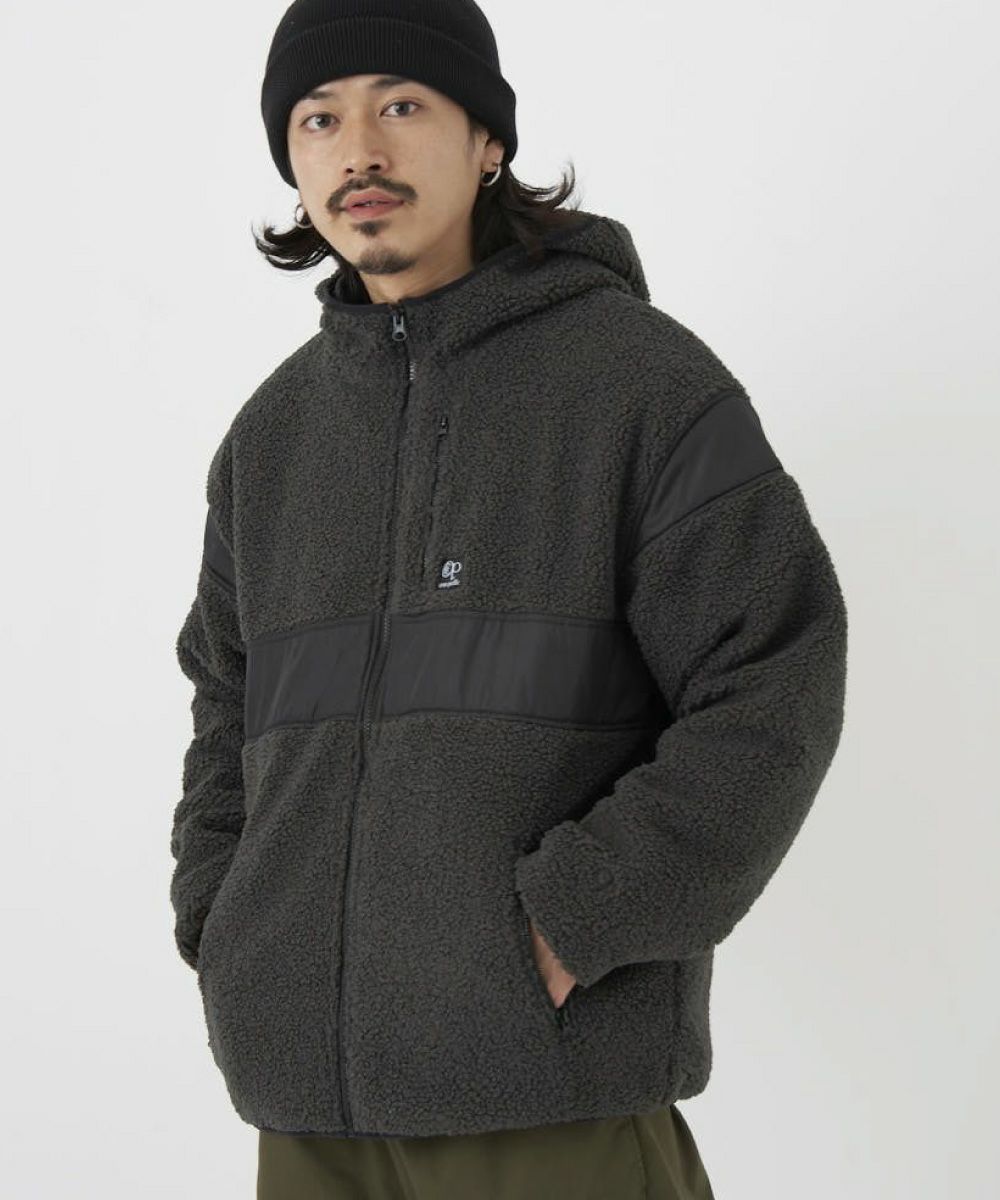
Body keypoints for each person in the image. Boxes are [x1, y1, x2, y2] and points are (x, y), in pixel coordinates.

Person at [169, 1, 848, 1195]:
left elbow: (774, 679)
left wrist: (579, 916)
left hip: (547, 1105)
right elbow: (225, 715)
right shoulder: (272, 441)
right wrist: (228, 930)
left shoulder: (639, 387)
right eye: (318, 119)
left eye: (401, 105)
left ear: (488, 141)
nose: (358, 150)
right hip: (306, 1117)